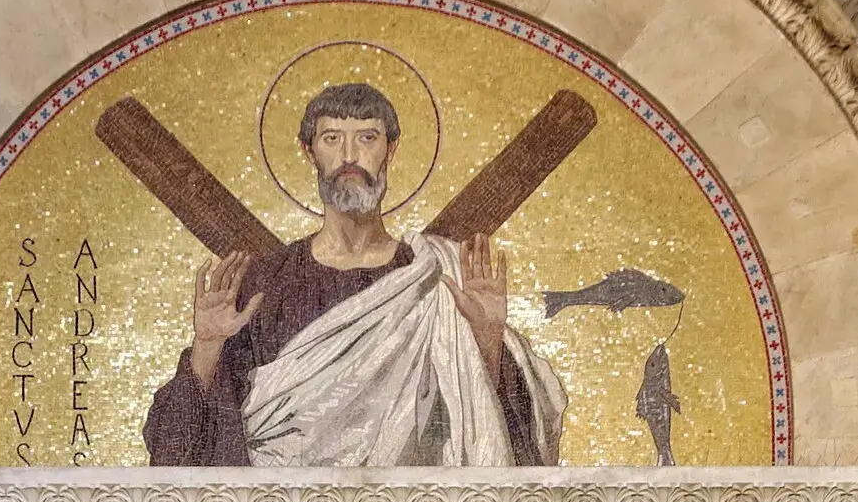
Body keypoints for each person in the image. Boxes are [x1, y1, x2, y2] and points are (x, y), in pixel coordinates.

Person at [144, 80, 565, 468]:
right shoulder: (263, 284)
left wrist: (487, 337)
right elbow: (175, 454)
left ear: (391, 148)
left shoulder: (435, 280)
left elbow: (498, 446)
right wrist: (207, 346)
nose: (350, 156)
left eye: (367, 137)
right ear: (309, 151)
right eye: (332, 139)